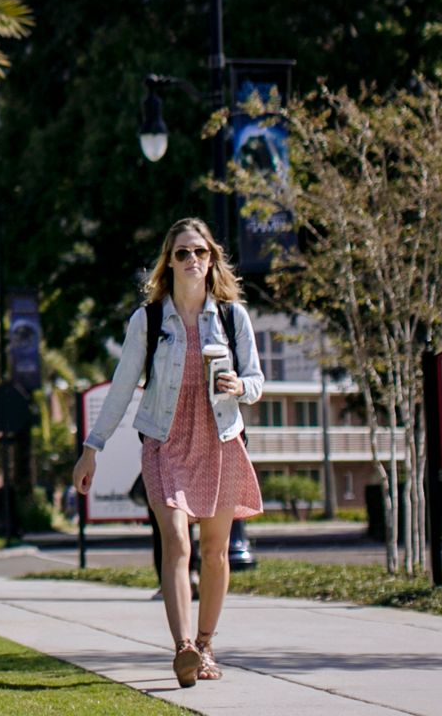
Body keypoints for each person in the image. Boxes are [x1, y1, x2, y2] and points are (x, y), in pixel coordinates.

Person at [73, 217, 265, 689]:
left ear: (211, 258)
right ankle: (182, 648)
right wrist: (90, 448)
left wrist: (241, 385)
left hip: (221, 440)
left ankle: (205, 644)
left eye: (200, 252)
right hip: (166, 442)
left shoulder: (231, 316)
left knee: (216, 553)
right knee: (178, 541)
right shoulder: (150, 319)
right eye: (182, 253)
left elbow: (257, 381)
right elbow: (121, 388)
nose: (192, 260)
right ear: (169, 261)